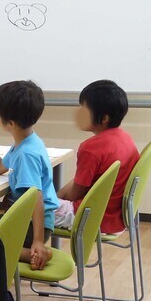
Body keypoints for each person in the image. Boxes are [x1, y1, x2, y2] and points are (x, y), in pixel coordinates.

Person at [0, 80, 60, 270]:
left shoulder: (26, 154)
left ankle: (29, 253)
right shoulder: (26, 141)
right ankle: (23, 249)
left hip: (30, 224)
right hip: (24, 219)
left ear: (10, 123)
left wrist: (37, 241)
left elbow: (35, 197)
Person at [56, 80, 140, 233]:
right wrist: (58, 196)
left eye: (84, 109)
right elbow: (81, 181)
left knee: (30, 208)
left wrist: (57, 198)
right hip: (116, 217)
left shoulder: (90, 148)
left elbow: (76, 193)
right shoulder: (125, 138)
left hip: (89, 215)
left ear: (104, 118)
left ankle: (30, 252)